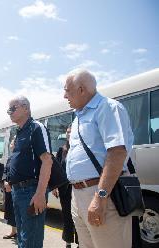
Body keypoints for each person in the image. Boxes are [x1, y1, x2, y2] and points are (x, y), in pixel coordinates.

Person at [64, 69, 134, 248]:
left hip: (100, 193)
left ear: (81, 90)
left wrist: (100, 197)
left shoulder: (108, 107)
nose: (64, 96)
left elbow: (117, 152)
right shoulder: (78, 118)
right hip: (78, 194)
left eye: (67, 90)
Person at [7, 95, 53, 248]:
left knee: (30, 241)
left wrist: (40, 194)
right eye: (9, 109)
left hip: (31, 191)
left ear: (26, 108)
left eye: (13, 108)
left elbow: (47, 160)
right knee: (22, 239)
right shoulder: (18, 132)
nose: (9, 112)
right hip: (17, 191)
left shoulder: (36, 128)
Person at [52, 127, 78, 248]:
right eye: (67, 132)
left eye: (71, 132)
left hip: (78, 189)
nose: (68, 134)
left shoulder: (80, 148)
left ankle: (80, 242)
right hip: (64, 190)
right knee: (67, 216)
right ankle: (68, 242)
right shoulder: (61, 150)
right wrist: (54, 187)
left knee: (79, 217)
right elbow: (56, 170)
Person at [2, 138, 17, 240]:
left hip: (16, 188)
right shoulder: (10, 157)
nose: (11, 145)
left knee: (17, 210)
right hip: (8, 188)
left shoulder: (20, 156)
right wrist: (4, 182)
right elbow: (5, 171)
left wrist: (10, 183)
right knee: (10, 210)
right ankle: (13, 231)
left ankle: (20, 232)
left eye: (12, 143)